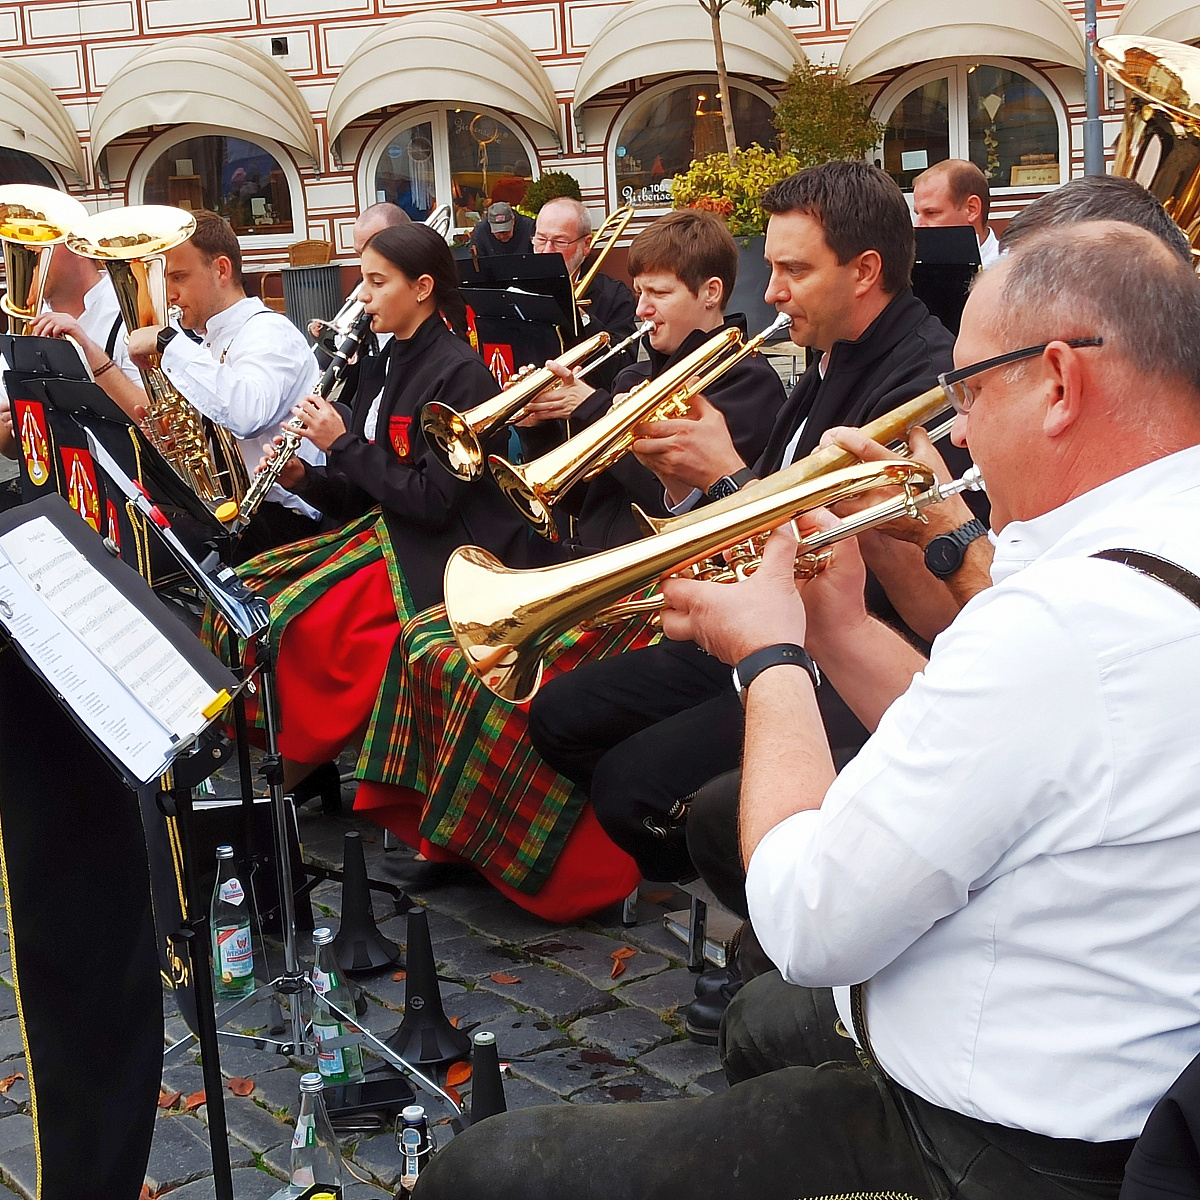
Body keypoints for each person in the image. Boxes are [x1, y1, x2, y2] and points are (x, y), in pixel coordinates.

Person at [416, 218, 1200, 1200]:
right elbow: (1027, 750)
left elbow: (810, 919)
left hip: (997, 1146)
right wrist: (833, 628)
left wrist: (770, 658)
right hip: (1116, 1063)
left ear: (1056, 383)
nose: (953, 425)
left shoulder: (1058, 623)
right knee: (761, 1023)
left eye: (968, 390)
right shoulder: (1142, 556)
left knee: (486, 1174)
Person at [527, 163, 961, 1031]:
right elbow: (780, 501)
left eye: (793, 271)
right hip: (779, 623)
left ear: (865, 271)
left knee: (635, 790)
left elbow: (848, 566)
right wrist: (695, 493)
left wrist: (724, 480)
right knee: (561, 716)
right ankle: (750, 888)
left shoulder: (920, 376)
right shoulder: (832, 356)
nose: (772, 293)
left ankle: (769, 921)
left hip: (851, 657)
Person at [352, 209, 785, 918]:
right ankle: (462, 840)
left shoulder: (745, 383)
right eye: (638, 292)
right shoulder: (641, 371)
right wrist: (549, 423)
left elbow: (676, 500)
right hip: (596, 559)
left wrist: (593, 413)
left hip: (664, 585)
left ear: (711, 294)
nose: (641, 309)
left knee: (484, 673)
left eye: (660, 294)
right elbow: (581, 487)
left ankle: (560, 864)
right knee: (431, 641)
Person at [205, 222, 535, 802]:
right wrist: (307, 477)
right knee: (249, 594)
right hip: (386, 530)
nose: (362, 296)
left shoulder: (460, 373)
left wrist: (341, 446)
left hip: (447, 552)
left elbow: (432, 503)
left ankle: (301, 771)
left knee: (298, 623)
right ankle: (299, 765)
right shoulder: (383, 361)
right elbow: (366, 489)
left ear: (423, 287)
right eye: (363, 280)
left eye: (377, 283)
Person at [125, 211, 321, 560]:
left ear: (221, 270)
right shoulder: (205, 344)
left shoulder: (268, 332)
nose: (169, 294)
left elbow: (246, 414)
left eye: (179, 277)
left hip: (285, 529)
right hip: (241, 521)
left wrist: (168, 341)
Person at [0, 243, 145, 462]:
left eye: (38, 248)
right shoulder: (26, 320)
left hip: (137, 484)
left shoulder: (130, 309)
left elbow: (157, 423)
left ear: (77, 245)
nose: (28, 258)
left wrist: (91, 354)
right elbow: (8, 448)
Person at [532, 197, 637, 387]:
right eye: (540, 239)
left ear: (586, 244)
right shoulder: (517, 290)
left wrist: (585, 322)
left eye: (559, 241)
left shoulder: (615, 295)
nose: (546, 251)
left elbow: (624, 368)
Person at [912, 158, 999, 267]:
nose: (918, 225)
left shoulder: (1015, 272)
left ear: (972, 209)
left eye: (931, 213)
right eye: (917, 214)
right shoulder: (914, 269)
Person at [468, 200, 535, 258]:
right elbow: (475, 261)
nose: (502, 236)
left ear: (513, 220)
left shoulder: (528, 227)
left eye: (506, 231)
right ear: (489, 224)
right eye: (497, 232)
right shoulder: (481, 231)